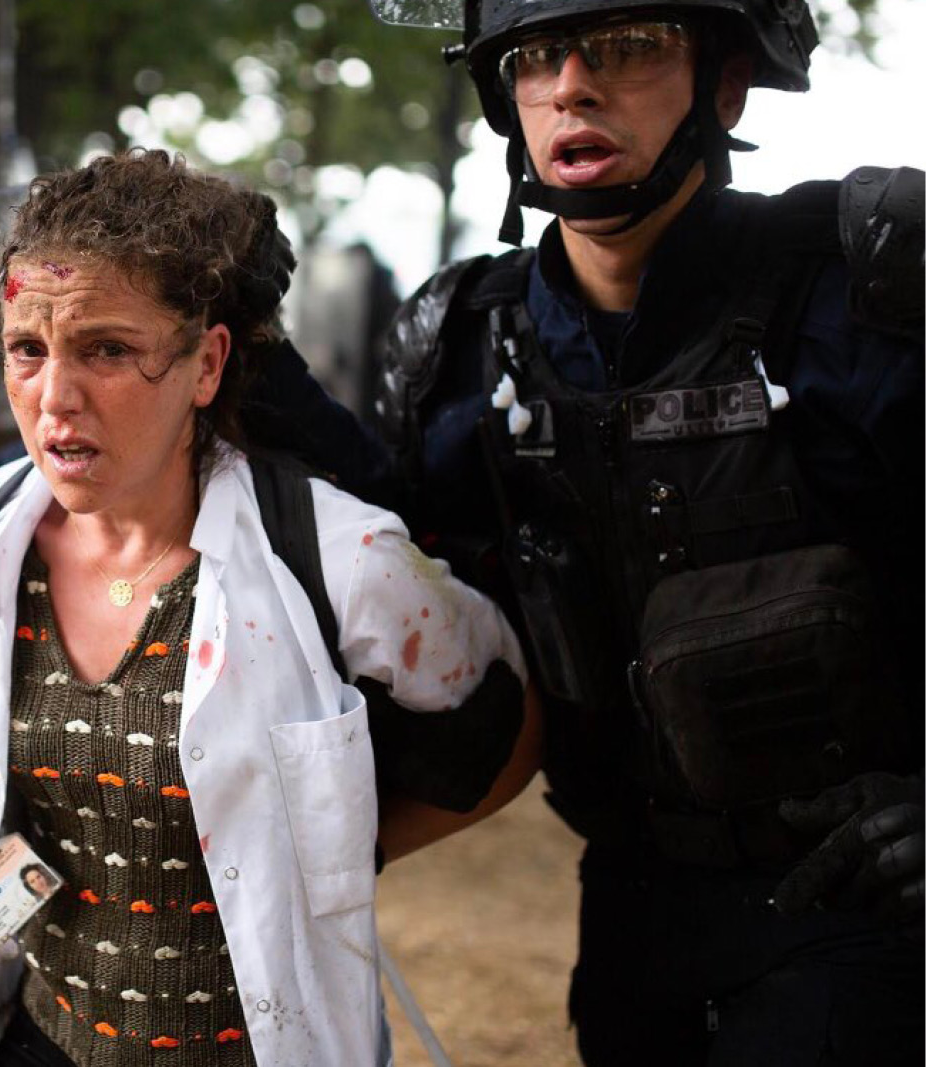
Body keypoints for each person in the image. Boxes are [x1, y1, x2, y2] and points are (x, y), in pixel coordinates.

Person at [365, 1, 923, 1064]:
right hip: (631, 914)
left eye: (625, 49)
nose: (571, 86)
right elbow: (375, 571)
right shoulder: (463, 350)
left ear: (722, 85)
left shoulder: (871, 290)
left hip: (866, 912)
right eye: (535, 60)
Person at [0, 149, 533, 1067]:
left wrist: (330, 864)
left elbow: (506, 728)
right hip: (35, 1037)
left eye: (108, 348)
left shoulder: (341, 561)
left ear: (206, 363)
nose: (55, 397)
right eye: (27, 348)